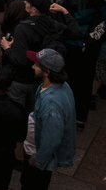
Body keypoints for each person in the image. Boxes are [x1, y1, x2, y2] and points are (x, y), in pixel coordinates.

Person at [22, 49, 76, 189]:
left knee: (32, 185)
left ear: (47, 72)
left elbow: (52, 139)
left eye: (36, 65)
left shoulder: (52, 104)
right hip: (37, 147)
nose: (32, 66)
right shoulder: (61, 86)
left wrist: (38, 161)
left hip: (38, 155)